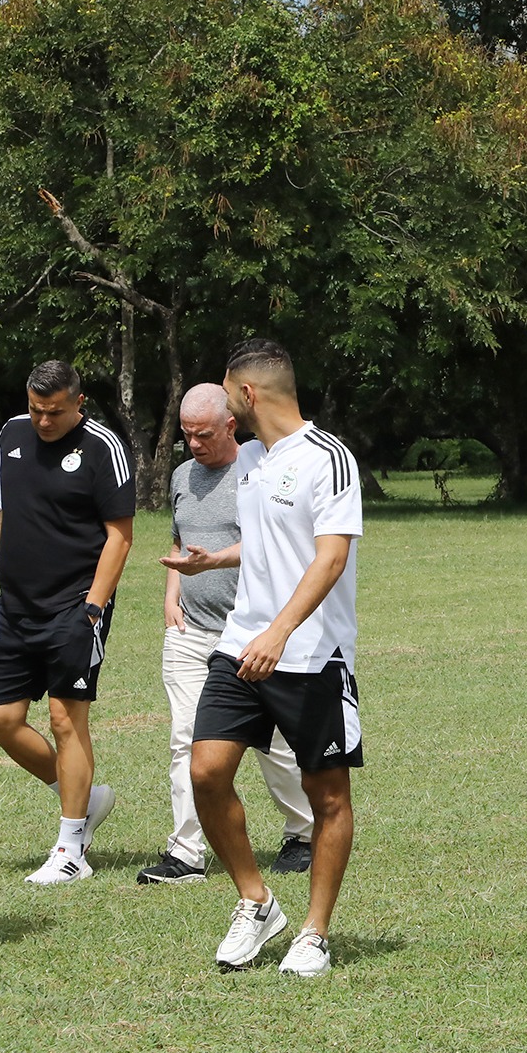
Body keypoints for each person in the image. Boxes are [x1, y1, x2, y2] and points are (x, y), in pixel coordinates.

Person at [179, 339, 363, 977]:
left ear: (248, 393)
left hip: (310, 654)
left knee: (325, 795)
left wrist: (281, 632)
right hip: (241, 644)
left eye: (227, 391)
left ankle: (314, 933)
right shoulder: (254, 459)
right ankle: (256, 901)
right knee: (206, 771)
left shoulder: (328, 458)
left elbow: (329, 557)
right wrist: (215, 559)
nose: (224, 403)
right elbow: (268, 543)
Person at [140, 383, 316, 885]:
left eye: (204, 434)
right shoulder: (181, 476)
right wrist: (172, 595)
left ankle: (303, 833)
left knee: (273, 743)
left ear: (230, 425)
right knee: (185, 740)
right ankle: (186, 854)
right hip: (190, 629)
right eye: (187, 435)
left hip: (249, 632)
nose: (194, 444)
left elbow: (274, 544)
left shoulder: (258, 472)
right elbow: (180, 540)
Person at [0, 362, 134, 885]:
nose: (43, 421)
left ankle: (72, 848)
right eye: (35, 410)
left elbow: (120, 536)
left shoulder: (103, 447)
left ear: (79, 402)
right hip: (12, 605)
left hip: (76, 605)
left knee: (65, 720)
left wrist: (93, 607)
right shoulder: (10, 434)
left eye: (54, 412)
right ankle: (83, 799)